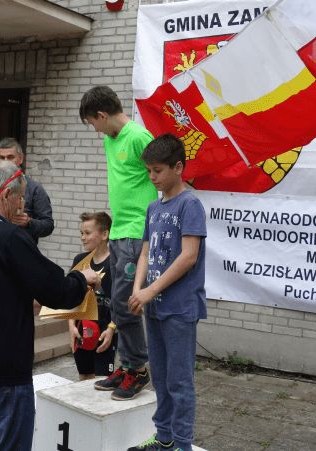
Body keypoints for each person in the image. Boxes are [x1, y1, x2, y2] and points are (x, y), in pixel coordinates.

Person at [0, 160, 100, 450]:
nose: (22, 206)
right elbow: (58, 292)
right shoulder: (10, 238)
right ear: (6, 195)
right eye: (20, 198)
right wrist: (82, 278)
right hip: (3, 375)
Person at [126, 134, 207, 451]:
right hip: (155, 307)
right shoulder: (153, 207)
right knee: (159, 377)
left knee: (179, 381)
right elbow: (145, 252)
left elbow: (189, 256)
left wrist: (150, 291)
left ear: (178, 167)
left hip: (180, 308)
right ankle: (164, 437)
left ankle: (182, 444)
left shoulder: (190, 205)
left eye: (157, 170)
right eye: (148, 171)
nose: (152, 177)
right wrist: (138, 289)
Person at [79, 85, 157, 401]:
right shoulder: (110, 140)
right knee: (116, 301)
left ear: (102, 114)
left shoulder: (139, 137)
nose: (95, 130)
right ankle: (126, 366)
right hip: (119, 230)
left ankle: (137, 370)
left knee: (126, 304)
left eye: (93, 123)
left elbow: (163, 175)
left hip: (137, 231)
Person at [67, 211, 117, 381]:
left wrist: (111, 329)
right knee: (84, 377)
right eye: (81, 233)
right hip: (82, 331)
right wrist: (72, 326)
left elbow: (121, 301)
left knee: (101, 381)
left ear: (105, 234)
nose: (83, 237)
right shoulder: (79, 260)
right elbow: (71, 298)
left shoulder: (115, 263)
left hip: (105, 332)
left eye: (87, 233)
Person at [0, 137, 54, 242]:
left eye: (10, 157)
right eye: (2, 158)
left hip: (21, 248)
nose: (6, 162)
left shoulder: (35, 189)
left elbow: (48, 225)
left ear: (20, 159)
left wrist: (29, 222)